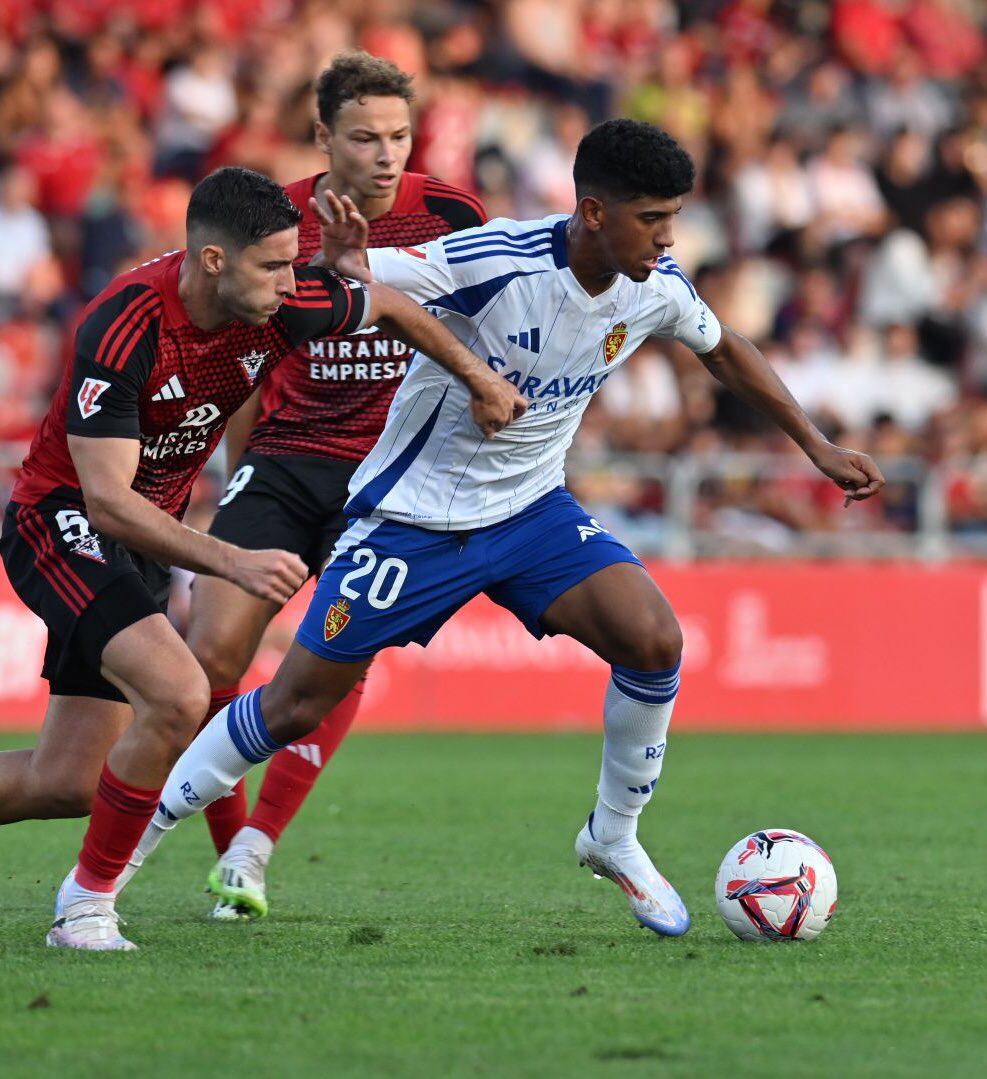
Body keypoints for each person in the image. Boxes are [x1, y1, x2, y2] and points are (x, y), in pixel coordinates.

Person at [134, 121, 885, 942]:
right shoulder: (495, 259)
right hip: (409, 519)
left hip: (530, 512)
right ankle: (123, 855)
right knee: (291, 704)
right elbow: (366, 277)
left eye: (674, 216)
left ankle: (612, 835)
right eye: (652, 218)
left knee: (652, 638)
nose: (668, 236)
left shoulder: (657, 283)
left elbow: (725, 349)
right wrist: (348, 260)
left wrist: (815, 444)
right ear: (593, 212)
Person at [0, 164, 522, 951]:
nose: (292, 281)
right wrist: (229, 561)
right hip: (63, 521)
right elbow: (104, 498)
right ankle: (85, 906)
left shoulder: (282, 304)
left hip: (146, 532)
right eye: (275, 265)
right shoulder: (123, 322)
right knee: (179, 692)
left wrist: (479, 377)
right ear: (213, 261)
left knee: (68, 780)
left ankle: (91, 890)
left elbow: (385, 304)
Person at [147, 52, 488, 921]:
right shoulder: (278, 218)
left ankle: (253, 848)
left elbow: (483, 336)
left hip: (393, 470)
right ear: (323, 136)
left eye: (399, 137)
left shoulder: (451, 214)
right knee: (212, 656)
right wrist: (232, 463)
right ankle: (231, 851)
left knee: (339, 652)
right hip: (288, 455)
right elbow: (237, 348)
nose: (385, 155)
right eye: (365, 137)